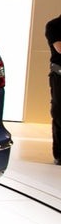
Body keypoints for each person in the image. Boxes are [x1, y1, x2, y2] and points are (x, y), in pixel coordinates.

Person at [46, 14, 61, 165]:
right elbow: (60, 48)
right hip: (60, 76)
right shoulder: (54, 25)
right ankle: (60, 155)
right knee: (59, 113)